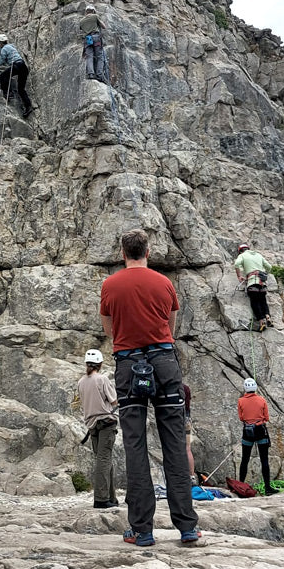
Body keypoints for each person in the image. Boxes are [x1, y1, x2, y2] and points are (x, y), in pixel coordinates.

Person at [99, 228, 199, 547]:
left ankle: (142, 530)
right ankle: (187, 528)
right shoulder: (164, 283)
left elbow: (109, 331)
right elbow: (170, 326)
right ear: (148, 251)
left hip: (129, 365)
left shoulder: (110, 285)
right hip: (165, 362)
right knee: (174, 442)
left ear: (122, 251)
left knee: (135, 444)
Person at [77, 349, 119, 508]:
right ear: (100, 364)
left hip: (92, 426)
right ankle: (101, 499)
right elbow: (114, 402)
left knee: (104, 460)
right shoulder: (102, 379)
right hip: (106, 423)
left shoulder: (81, 382)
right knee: (104, 460)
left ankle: (111, 498)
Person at [238, 377, 278, 496]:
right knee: (264, 460)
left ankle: (241, 486)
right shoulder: (262, 400)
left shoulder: (240, 401)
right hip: (260, 430)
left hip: (248, 431)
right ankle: (267, 488)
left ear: (245, 388)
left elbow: (241, 418)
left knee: (245, 459)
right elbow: (266, 418)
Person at [0, 33, 33, 118]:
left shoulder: (4, 49)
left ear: (1, 43)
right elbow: (3, 51)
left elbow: (0, 62)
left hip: (16, 66)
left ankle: (8, 94)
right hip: (23, 67)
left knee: (2, 76)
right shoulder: (11, 47)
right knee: (21, 89)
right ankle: (28, 107)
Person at [234, 243, 274, 330]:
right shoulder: (258, 255)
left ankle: (261, 321)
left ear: (240, 251)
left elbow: (236, 264)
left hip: (252, 283)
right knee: (263, 301)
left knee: (255, 302)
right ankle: (268, 317)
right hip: (262, 283)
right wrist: (263, 273)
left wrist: (239, 276)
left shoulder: (242, 255)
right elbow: (269, 267)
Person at [80, 4, 107, 83]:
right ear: (93, 11)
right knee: (99, 56)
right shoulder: (95, 16)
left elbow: (82, 29)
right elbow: (104, 26)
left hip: (87, 39)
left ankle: (91, 73)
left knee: (89, 56)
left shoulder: (81, 21)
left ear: (86, 12)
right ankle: (99, 74)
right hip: (96, 37)